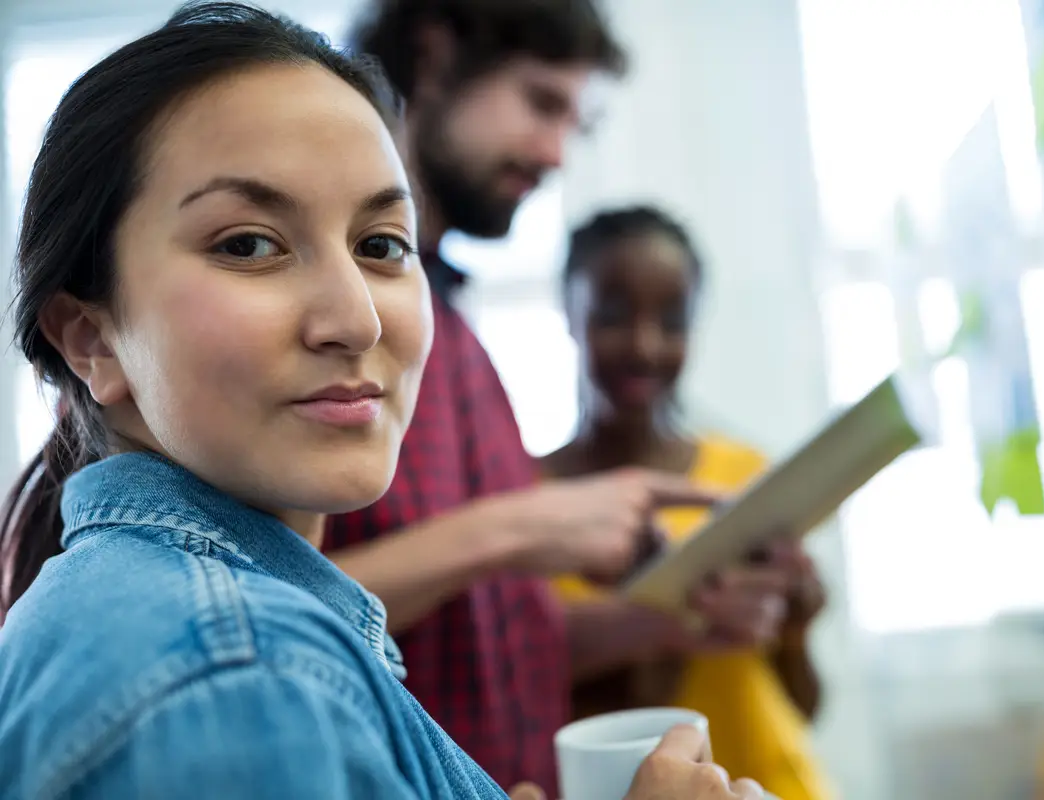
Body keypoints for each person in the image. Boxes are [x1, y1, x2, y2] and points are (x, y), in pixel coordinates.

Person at [0, 5, 767, 799]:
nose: (359, 318)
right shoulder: (233, 671)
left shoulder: (216, 640)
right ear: (90, 338)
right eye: (249, 244)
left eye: (382, 245)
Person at [323, 1, 812, 793]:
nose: (555, 153)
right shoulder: (339, 329)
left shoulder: (459, 342)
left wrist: (674, 620)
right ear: (437, 55)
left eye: (572, 122)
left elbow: (484, 644)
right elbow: (268, 610)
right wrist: (526, 527)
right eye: (541, 102)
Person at [543, 206, 839, 800]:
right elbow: (550, 717)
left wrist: (798, 626)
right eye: (613, 315)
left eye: (673, 321)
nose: (644, 345)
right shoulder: (529, 507)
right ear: (569, 314)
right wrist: (662, 619)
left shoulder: (742, 478)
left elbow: (803, 705)